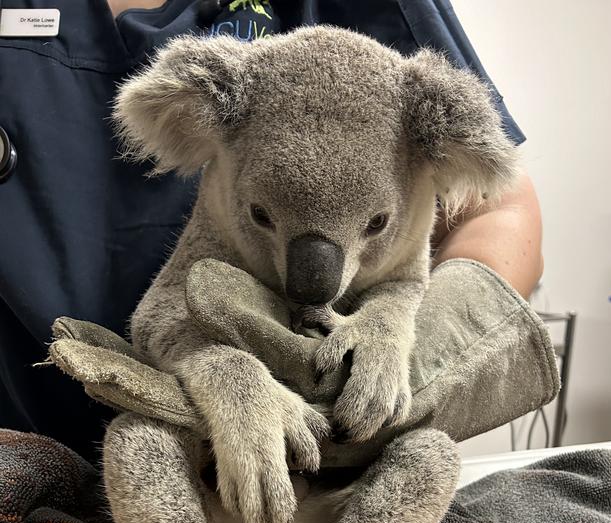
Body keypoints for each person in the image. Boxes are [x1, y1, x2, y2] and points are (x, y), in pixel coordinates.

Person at [0, 0, 542, 462]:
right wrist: (220, 374)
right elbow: (166, 308)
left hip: (337, 441)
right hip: (26, 438)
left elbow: (499, 206)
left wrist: (418, 352)